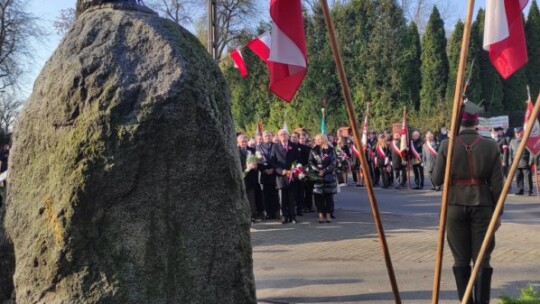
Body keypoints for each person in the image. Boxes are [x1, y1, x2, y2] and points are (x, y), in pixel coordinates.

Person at [432, 101, 504, 304]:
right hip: (484, 206)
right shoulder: (490, 145)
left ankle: (466, 302)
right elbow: (499, 185)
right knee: (482, 259)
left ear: (458, 122)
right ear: (477, 122)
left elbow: (436, 179)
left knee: (460, 259)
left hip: (454, 206)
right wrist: (499, 213)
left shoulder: (447, 144)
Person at [270, 129, 301, 224]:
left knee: (292, 198)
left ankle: (293, 216)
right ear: (278, 137)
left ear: (288, 136)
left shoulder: (294, 146)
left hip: (292, 175)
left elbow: (298, 160)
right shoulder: (275, 146)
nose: (283, 136)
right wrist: (280, 170)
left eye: (285, 134)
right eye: (281, 134)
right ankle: (284, 216)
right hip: (281, 176)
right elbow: (273, 161)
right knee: (282, 198)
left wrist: (294, 169)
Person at [309, 134, 338, 223]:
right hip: (317, 176)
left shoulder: (330, 149)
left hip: (328, 175)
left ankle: (328, 215)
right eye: (316, 139)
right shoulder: (313, 150)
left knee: (328, 197)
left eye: (319, 139)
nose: (317, 140)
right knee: (318, 197)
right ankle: (320, 215)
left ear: (324, 139)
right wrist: (318, 171)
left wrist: (324, 171)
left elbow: (333, 162)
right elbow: (310, 162)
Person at [238, 135, 262, 222]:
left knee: (251, 198)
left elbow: (258, 162)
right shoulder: (235, 151)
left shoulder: (252, 150)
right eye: (242, 142)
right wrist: (246, 167)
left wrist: (255, 166)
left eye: (245, 141)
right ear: (238, 142)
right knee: (241, 199)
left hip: (251, 179)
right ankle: (242, 217)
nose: (244, 143)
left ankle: (252, 216)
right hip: (240, 178)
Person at [257, 131, 279, 219]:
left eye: (269, 136)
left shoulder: (276, 146)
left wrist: (273, 169)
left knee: (275, 194)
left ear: (271, 136)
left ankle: (276, 212)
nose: (267, 137)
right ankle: (268, 213)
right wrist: (264, 170)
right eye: (265, 136)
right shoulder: (258, 147)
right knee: (266, 195)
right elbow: (256, 161)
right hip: (265, 174)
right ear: (262, 137)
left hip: (274, 174)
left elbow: (278, 159)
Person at [508, 127, 534, 196]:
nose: (518, 134)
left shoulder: (526, 140)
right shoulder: (512, 141)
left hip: (525, 161)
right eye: (516, 133)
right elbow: (510, 152)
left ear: (522, 132)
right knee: (518, 177)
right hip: (516, 163)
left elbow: (531, 152)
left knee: (527, 177)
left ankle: (529, 190)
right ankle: (520, 190)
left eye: (519, 133)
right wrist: (510, 161)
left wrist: (531, 160)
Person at [298, 133, 314, 213]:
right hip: (298, 171)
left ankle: (309, 206)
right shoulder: (296, 148)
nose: (302, 139)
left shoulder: (309, 149)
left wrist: (307, 169)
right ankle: (301, 206)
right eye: (300, 138)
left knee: (309, 190)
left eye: (303, 138)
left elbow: (311, 160)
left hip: (308, 171)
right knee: (301, 191)